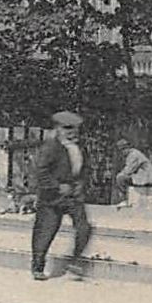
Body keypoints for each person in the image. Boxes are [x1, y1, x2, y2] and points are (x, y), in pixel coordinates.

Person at [29, 111, 93, 281]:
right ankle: (37, 266)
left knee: (83, 227)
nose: (72, 132)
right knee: (46, 231)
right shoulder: (51, 146)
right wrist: (57, 186)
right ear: (58, 129)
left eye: (75, 128)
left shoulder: (79, 147)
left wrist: (80, 183)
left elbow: (85, 168)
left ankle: (75, 261)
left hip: (72, 196)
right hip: (51, 197)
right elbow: (40, 171)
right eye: (67, 128)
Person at [113, 138, 152, 205]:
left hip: (148, 179)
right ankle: (128, 198)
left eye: (123, 149)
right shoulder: (132, 154)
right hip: (143, 178)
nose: (122, 152)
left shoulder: (133, 154)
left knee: (120, 178)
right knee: (123, 177)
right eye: (121, 150)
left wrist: (120, 174)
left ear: (127, 148)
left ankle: (126, 199)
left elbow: (128, 170)